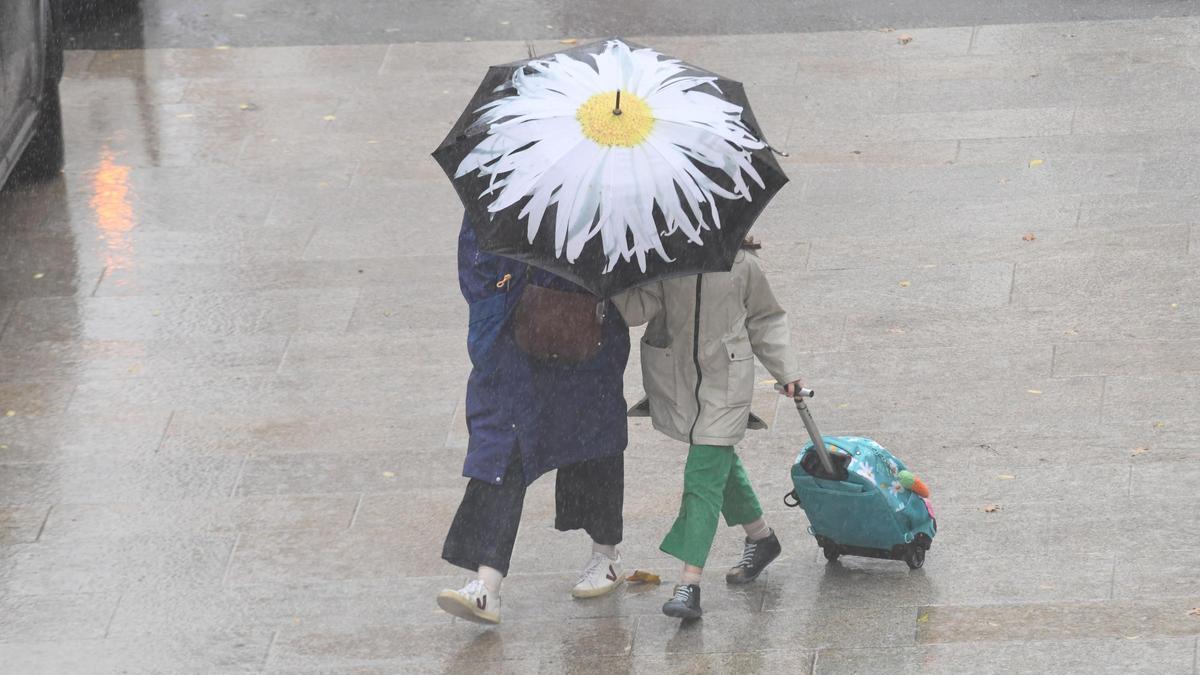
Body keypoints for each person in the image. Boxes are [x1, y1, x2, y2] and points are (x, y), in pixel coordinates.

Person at [436, 213, 631, 625]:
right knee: (504, 447)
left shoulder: (612, 192)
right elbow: (476, 262)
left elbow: (628, 270)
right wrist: (508, 295)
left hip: (587, 335)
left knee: (594, 439)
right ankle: (487, 585)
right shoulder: (504, 184)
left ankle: (606, 554)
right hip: (513, 342)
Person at [611, 236, 803, 620]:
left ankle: (689, 583)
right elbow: (637, 310)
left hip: (727, 384)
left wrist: (787, 372)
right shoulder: (664, 258)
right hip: (678, 381)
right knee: (717, 463)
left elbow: (765, 318)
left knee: (702, 474)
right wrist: (616, 270)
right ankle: (761, 538)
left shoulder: (743, 264)